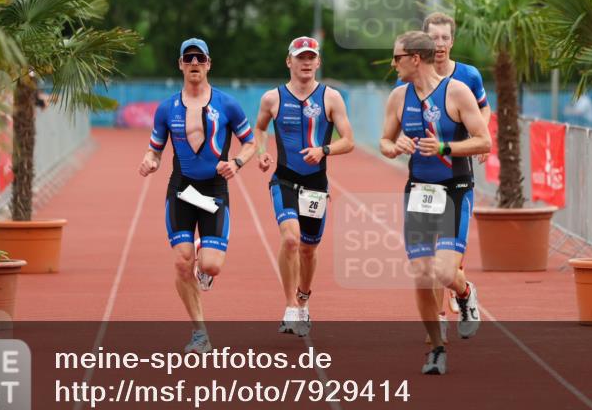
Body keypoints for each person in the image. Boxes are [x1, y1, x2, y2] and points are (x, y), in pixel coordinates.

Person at [380, 30, 491, 375]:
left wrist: (444, 147)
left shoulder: (456, 92)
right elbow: (384, 140)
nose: (393, 64)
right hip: (419, 191)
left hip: (455, 189)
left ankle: (464, 292)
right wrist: (394, 147)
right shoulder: (398, 97)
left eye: (397, 57)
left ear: (415, 59)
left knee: (443, 272)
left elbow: (484, 141)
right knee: (422, 274)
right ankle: (436, 348)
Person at [138, 38, 256, 354]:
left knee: (211, 266)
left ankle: (204, 258)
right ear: (180, 64)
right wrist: (150, 161)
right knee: (182, 262)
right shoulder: (167, 108)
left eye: (199, 59)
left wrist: (237, 163)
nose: (194, 63)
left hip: (214, 190)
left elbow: (250, 142)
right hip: (182, 189)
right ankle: (200, 333)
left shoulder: (227, 104)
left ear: (208, 64)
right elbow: (154, 149)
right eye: (188, 58)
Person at [397, 13, 493, 335]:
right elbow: (399, 121)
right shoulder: (407, 80)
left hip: (456, 173)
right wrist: (399, 142)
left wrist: (477, 137)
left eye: (444, 38)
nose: (439, 44)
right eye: (433, 38)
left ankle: (461, 292)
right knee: (427, 261)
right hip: (423, 181)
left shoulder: (467, 76)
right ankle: (438, 319)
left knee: (445, 266)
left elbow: (483, 108)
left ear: (452, 41)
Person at [254, 36, 355, 336]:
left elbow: (348, 141)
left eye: (311, 57)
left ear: (318, 62)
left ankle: (303, 298)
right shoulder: (272, 98)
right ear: (289, 61)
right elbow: (259, 128)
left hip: (315, 185)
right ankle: (290, 307)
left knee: (309, 250)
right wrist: (262, 152)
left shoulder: (331, 98)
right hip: (284, 179)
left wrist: (323, 150)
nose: (306, 62)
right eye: (301, 57)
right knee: (290, 240)